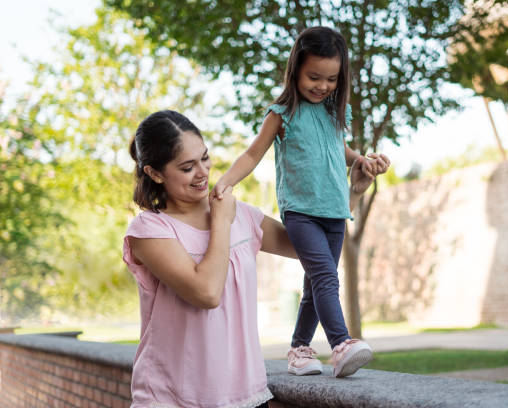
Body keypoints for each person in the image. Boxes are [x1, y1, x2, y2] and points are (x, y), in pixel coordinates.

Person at [123, 110, 381, 408]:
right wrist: (221, 222)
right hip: (172, 400)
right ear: (155, 173)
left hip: (248, 397)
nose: (203, 172)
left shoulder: (242, 215)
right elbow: (206, 292)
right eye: (187, 167)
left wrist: (351, 196)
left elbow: (311, 250)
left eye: (204, 158)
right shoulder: (149, 230)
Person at [211, 26, 390, 379]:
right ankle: (341, 344)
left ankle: (299, 349)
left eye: (331, 79)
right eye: (314, 77)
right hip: (301, 213)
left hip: (335, 212)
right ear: (295, 70)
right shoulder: (281, 113)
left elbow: (340, 149)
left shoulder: (332, 112)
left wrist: (362, 160)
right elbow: (252, 154)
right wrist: (225, 182)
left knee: (314, 282)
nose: (322, 86)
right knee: (325, 276)